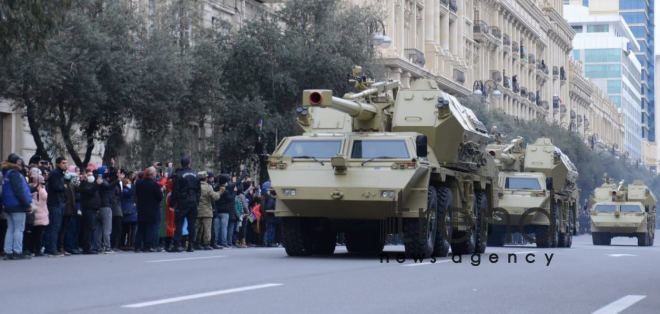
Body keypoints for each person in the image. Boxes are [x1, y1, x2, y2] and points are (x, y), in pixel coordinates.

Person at [2, 154, 33, 260]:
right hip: (18, 205)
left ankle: (8, 251)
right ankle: (17, 251)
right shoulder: (15, 174)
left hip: (8, 204)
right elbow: (19, 191)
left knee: (10, 228)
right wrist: (27, 204)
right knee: (19, 229)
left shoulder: (6, 173)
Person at [170, 157, 200, 252]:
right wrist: (197, 201)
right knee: (192, 224)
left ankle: (177, 244)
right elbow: (199, 190)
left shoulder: (178, 175)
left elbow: (175, 190)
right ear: (189, 163)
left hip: (182, 201)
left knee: (179, 223)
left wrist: (172, 203)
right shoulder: (196, 174)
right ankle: (190, 245)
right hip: (193, 201)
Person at [135, 167, 163, 252]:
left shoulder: (139, 183)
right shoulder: (154, 184)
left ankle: (137, 246)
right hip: (152, 209)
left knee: (140, 228)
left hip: (141, 208)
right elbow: (160, 197)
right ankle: (148, 246)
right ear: (152, 174)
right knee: (150, 229)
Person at [43, 157, 67, 256]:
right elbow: (57, 187)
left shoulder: (60, 174)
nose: (65, 165)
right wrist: (64, 186)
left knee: (57, 227)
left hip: (59, 203)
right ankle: (51, 249)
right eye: (63, 163)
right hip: (54, 203)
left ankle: (53, 247)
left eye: (66, 163)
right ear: (58, 164)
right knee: (54, 226)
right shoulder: (55, 174)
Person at [196, 171, 221, 250]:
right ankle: (206, 244)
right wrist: (220, 191)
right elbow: (215, 197)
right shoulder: (208, 187)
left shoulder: (196, 186)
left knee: (197, 228)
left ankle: (196, 243)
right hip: (207, 211)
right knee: (207, 229)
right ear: (206, 178)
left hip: (197, 210)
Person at [79, 168, 101, 254]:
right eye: (88, 175)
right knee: (88, 229)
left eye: (91, 175)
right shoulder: (84, 185)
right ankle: (87, 248)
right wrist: (96, 184)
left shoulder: (91, 184)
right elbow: (90, 192)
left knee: (91, 228)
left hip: (93, 209)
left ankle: (89, 246)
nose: (90, 176)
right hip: (88, 209)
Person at [61, 167, 81, 254]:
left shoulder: (71, 185)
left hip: (72, 209)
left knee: (73, 229)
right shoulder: (65, 184)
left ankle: (73, 246)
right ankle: (68, 246)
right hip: (67, 209)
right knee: (68, 229)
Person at [29, 168, 48, 256]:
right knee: (39, 233)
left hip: (34, 212)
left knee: (34, 233)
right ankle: (38, 250)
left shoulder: (30, 187)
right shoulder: (41, 189)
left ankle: (32, 249)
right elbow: (45, 197)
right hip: (41, 213)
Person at [214, 174, 234, 248]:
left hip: (217, 210)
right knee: (224, 227)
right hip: (225, 211)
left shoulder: (215, 188)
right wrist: (233, 192)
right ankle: (223, 242)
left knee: (216, 227)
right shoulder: (226, 190)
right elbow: (230, 198)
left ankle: (215, 241)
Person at [120, 175, 137, 250]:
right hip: (127, 211)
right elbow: (130, 193)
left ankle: (131, 243)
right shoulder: (125, 190)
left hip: (131, 210)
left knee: (132, 228)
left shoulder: (128, 189)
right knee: (126, 229)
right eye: (128, 182)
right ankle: (125, 243)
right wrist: (132, 186)